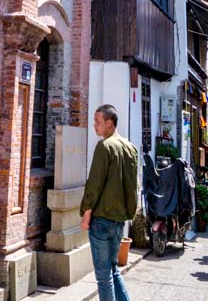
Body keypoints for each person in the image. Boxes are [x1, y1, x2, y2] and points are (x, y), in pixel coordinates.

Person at [80, 105, 138, 301]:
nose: (94, 125)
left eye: (97, 121)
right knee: (113, 270)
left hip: (102, 219)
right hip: (119, 221)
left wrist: (86, 215)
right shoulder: (130, 147)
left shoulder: (104, 146)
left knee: (104, 278)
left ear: (109, 123)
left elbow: (94, 184)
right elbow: (133, 186)